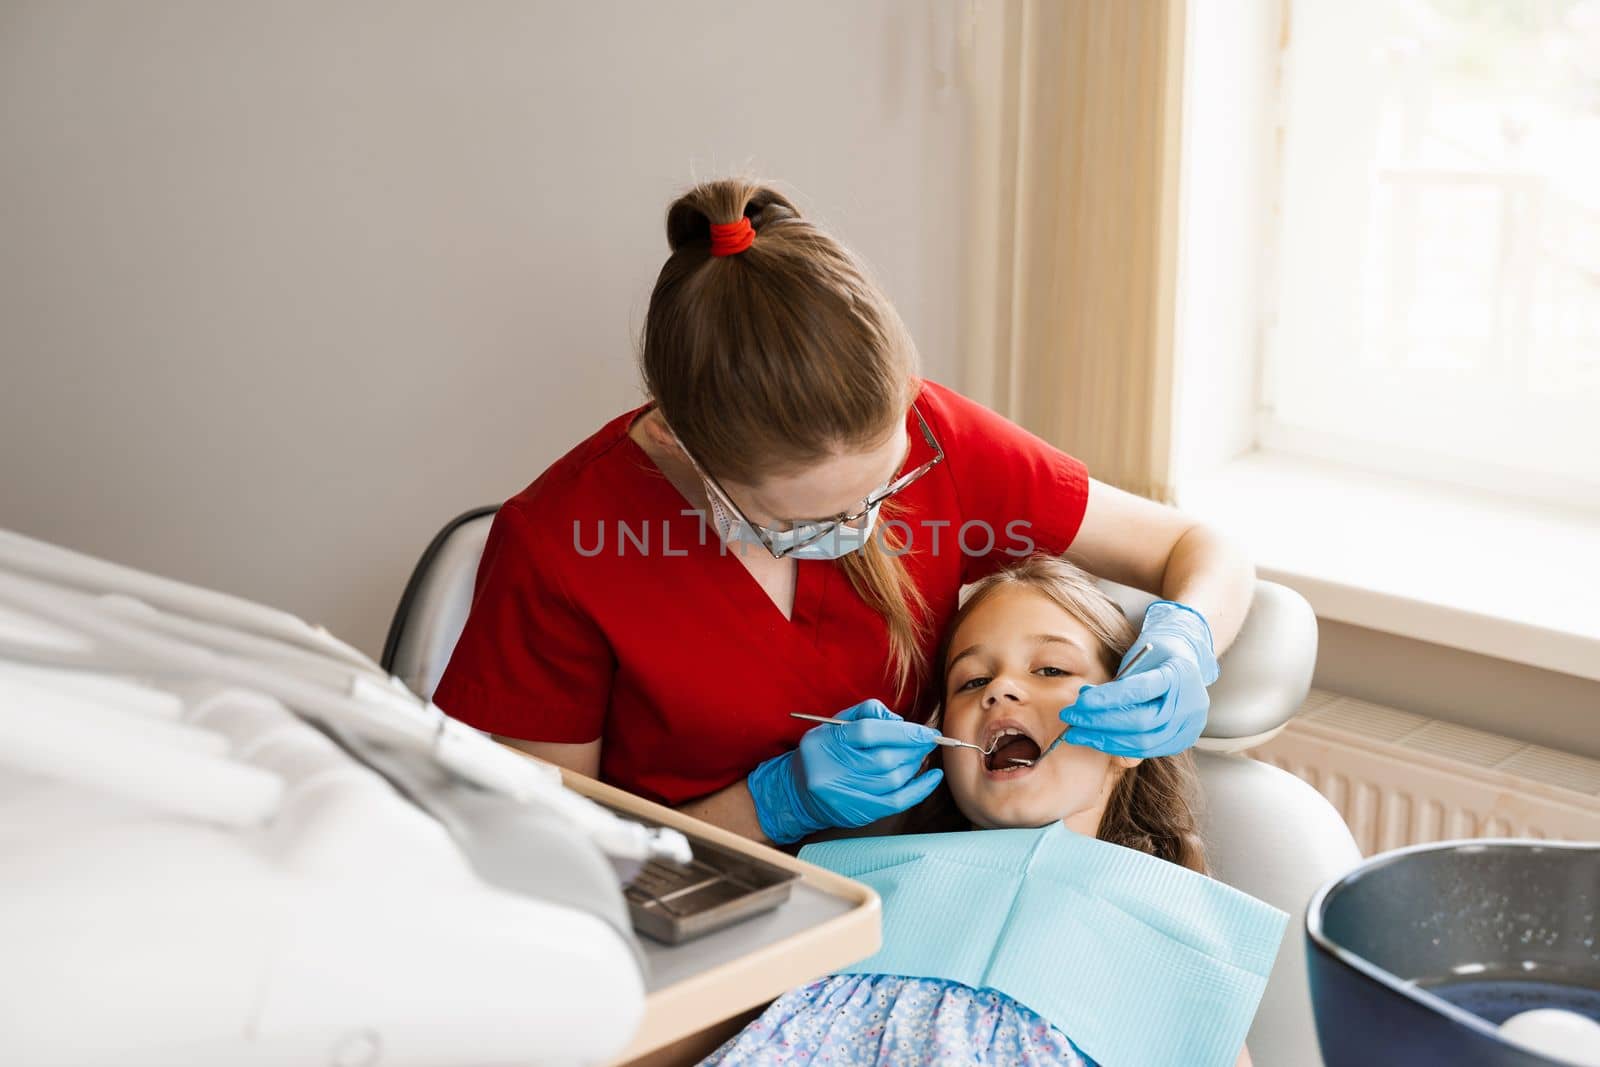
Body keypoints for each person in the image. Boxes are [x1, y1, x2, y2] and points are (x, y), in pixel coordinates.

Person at [433, 178, 1253, 845]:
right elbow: (539, 853)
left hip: (900, 904)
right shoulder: (562, 546)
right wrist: (769, 807)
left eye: (886, 487)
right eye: (809, 522)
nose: (867, 525)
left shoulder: (938, 440)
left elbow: (1198, 546)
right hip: (695, 935)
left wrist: (1189, 640)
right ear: (688, 447)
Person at [701, 556, 1254, 1067]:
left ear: (1133, 731)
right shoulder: (855, 898)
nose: (1002, 690)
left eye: (1051, 670)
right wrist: (779, 799)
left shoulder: (1176, 940)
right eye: (972, 681)